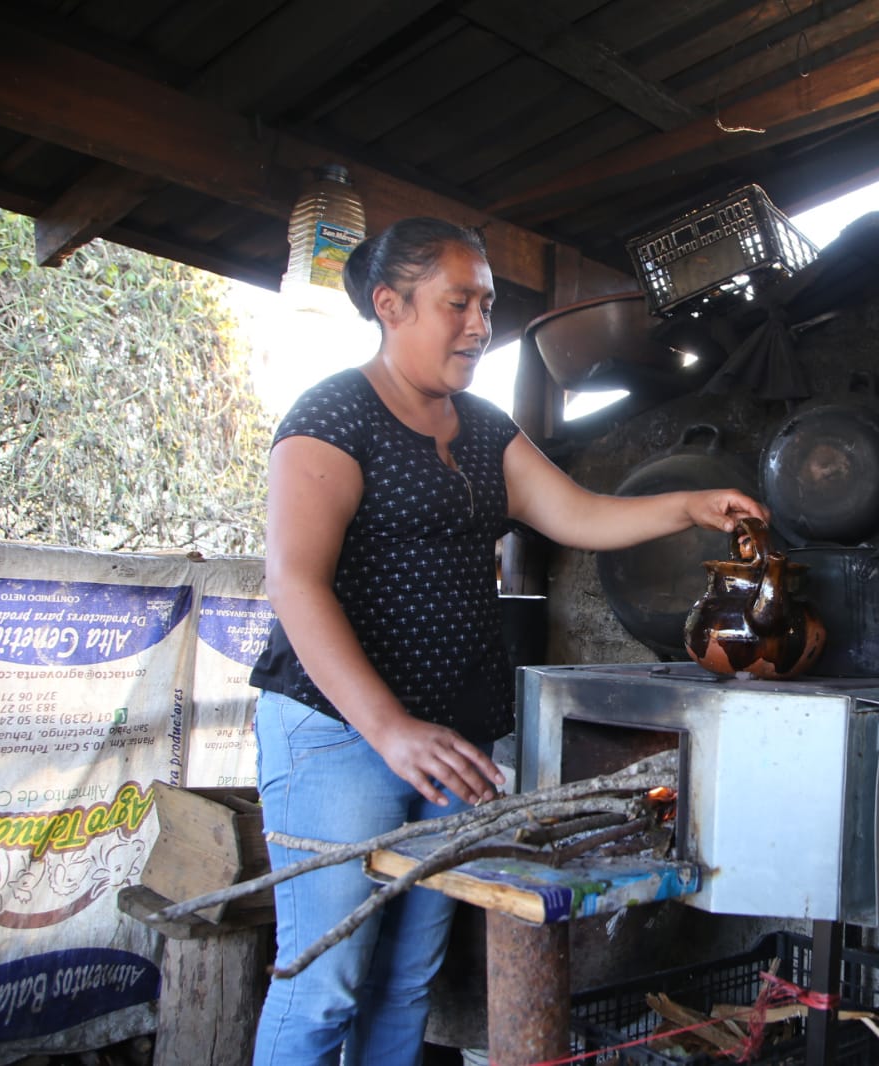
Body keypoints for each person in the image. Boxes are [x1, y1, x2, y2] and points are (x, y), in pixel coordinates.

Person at [247, 216, 767, 1066]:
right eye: (457, 303)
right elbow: (294, 583)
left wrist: (688, 505)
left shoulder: (485, 429)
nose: (478, 325)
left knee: (406, 981)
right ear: (390, 305)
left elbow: (578, 514)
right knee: (325, 982)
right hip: (340, 735)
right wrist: (389, 729)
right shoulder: (334, 416)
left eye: (486, 305)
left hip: (454, 742)